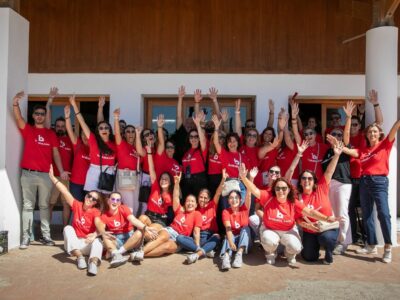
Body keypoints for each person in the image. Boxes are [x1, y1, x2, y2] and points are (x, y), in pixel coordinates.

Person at [243, 156, 339, 266]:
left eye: (284, 188)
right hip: (273, 229)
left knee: (297, 247)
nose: (281, 191)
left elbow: (310, 212)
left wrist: (326, 218)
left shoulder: (294, 201)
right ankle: (270, 252)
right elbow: (253, 190)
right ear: (274, 189)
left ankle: (289, 254)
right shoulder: (269, 195)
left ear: (289, 189)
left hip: (293, 229)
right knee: (270, 240)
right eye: (278, 188)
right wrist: (244, 177)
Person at [342, 108, 400, 263]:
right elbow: (351, 152)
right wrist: (340, 147)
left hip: (379, 182)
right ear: (366, 135)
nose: (372, 134)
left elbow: (394, 128)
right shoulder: (363, 150)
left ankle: (387, 247)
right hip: (364, 181)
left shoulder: (385, 144)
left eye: (375, 132)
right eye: (370, 132)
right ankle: (371, 244)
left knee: (383, 214)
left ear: (379, 134)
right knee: (367, 215)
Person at [13, 91, 69, 249]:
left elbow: (56, 154)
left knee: (44, 206)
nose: (39, 116)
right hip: (28, 174)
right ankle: (26, 237)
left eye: (42, 114)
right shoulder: (28, 130)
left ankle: (46, 236)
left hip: (45, 176)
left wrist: (62, 170)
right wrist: (15, 103)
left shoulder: (50, 134)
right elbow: (18, 118)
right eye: (37, 114)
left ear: (45, 116)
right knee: (28, 206)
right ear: (33, 116)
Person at [292, 140, 343, 264]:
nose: (307, 181)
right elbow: (297, 219)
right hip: (310, 230)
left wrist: (336, 155)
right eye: (303, 178)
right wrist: (306, 226)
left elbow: (329, 171)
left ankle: (329, 252)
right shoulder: (297, 197)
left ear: (314, 181)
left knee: (326, 238)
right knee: (309, 257)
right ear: (300, 181)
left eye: (310, 178)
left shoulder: (321, 187)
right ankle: (314, 247)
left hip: (327, 227)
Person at [49, 165, 103, 275]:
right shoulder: (77, 205)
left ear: (95, 203)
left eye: (93, 199)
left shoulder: (95, 212)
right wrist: (53, 178)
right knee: (68, 228)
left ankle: (93, 263)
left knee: (98, 242)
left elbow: (100, 225)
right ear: (85, 196)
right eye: (89, 196)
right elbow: (64, 191)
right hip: (74, 244)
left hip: (87, 243)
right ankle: (79, 258)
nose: (90, 199)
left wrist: (95, 234)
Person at [321, 101, 355, 255]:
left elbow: (347, 134)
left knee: (342, 212)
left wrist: (348, 117)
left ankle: (344, 241)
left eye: (339, 134)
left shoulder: (345, 147)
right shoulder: (327, 152)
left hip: (343, 183)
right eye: (333, 134)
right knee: (333, 213)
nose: (336, 136)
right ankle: (335, 240)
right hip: (330, 184)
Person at [143, 172, 202, 257]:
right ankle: (141, 252)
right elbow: (175, 197)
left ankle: (142, 254)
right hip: (170, 230)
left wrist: (197, 247)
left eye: (192, 201)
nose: (190, 203)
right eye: (188, 201)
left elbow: (196, 232)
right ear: (184, 204)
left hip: (180, 238)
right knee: (163, 237)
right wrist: (177, 183)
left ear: (196, 205)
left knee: (166, 247)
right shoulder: (180, 210)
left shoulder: (197, 214)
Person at [176, 169, 227, 264]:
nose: (203, 199)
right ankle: (205, 250)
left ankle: (197, 254)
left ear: (209, 199)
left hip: (210, 236)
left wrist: (223, 179)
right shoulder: (194, 208)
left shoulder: (212, 205)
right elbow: (181, 208)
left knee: (217, 237)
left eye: (205, 198)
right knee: (179, 238)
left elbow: (218, 192)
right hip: (198, 237)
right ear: (197, 197)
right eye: (201, 197)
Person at [95, 192, 158, 266]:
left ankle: (118, 253)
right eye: (113, 199)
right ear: (108, 201)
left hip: (129, 236)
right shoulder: (104, 214)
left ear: (120, 202)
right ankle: (118, 254)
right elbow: (101, 226)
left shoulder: (123, 208)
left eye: (118, 200)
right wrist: (102, 232)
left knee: (139, 232)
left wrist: (145, 227)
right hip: (116, 238)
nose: (115, 202)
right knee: (105, 235)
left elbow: (133, 220)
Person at [69, 96, 116, 193]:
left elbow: (101, 122)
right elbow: (82, 122)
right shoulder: (93, 140)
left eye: (106, 128)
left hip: (109, 173)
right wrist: (74, 105)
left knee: (106, 201)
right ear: (97, 131)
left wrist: (101, 108)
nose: (104, 129)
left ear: (110, 130)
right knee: (92, 199)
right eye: (101, 128)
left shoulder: (114, 143)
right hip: (94, 172)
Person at [219, 164, 253, 270]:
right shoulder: (226, 211)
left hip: (244, 240)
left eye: (236, 197)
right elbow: (228, 229)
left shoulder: (244, 208)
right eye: (231, 198)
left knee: (245, 229)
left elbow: (249, 194)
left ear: (240, 199)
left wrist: (250, 178)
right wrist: (230, 241)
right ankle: (227, 257)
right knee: (227, 237)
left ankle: (239, 255)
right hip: (232, 237)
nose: (234, 200)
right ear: (228, 200)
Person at [138, 143, 173, 235]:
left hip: (159, 220)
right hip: (148, 215)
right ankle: (139, 243)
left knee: (149, 231)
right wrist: (149, 153)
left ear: (170, 182)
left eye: (166, 179)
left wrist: (177, 184)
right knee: (141, 219)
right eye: (162, 178)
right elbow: (151, 169)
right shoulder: (155, 188)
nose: (163, 180)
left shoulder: (171, 194)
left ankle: (141, 245)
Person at [291, 100, 329, 180]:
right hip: (306, 181)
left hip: (319, 180)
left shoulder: (323, 147)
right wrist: (294, 118)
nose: (309, 135)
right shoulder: (303, 146)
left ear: (315, 135)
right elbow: (295, 132)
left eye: (311, 133)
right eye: (306, 134)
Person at [113, 108, 141, 214]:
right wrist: (116, 118)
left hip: (136, 176)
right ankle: (129, 229)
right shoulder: (121, 145)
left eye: (133, 131)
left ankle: (132, 227)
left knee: (136, 205)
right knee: (129, 206)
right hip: (124, 175)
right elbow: (116, 133)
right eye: (128, 131)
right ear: (124, 134)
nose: (130, 133)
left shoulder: (136, 147)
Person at [48, 116, 73, 226]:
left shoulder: (71, 141)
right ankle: (46, 231)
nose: (60, 128)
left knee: (66, 204)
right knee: (50, 203)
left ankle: (65, 229)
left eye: (63, 126)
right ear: (54, 127)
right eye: (58, 126)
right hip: (53, 176)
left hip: (67, 177)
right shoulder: (51, 138)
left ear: (66, 128)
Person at [64, 104, 91, 202]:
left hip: (90, 184)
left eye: (86, 134)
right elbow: (70, 130)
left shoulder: (95, 147)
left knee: (89, 208)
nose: (84, 136)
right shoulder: (78, 144)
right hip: (75, 183)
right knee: (76, 207)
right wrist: (67, 116)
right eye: (82, 134)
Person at [181, 111, 208, 200]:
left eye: (196, 137)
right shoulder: (185, 152)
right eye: (191, 137)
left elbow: (203, 140)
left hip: (199, 180)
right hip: (187, 180)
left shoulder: (202, 150)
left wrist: (198, 125)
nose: (194, 139)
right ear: (188, 139)